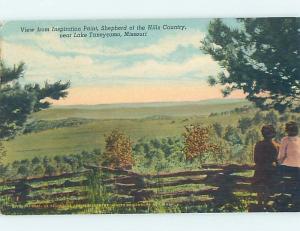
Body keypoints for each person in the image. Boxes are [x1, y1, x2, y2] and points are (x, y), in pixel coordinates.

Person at [252, 125, 279, 209]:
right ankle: (267, 205)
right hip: (270, 172)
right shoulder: (276, 146)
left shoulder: (258, 144)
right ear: (273, 134)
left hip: (259, 171)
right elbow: (277, 160)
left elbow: (255, 159)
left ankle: (260, 204)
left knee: (260, 189)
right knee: (269, 189)